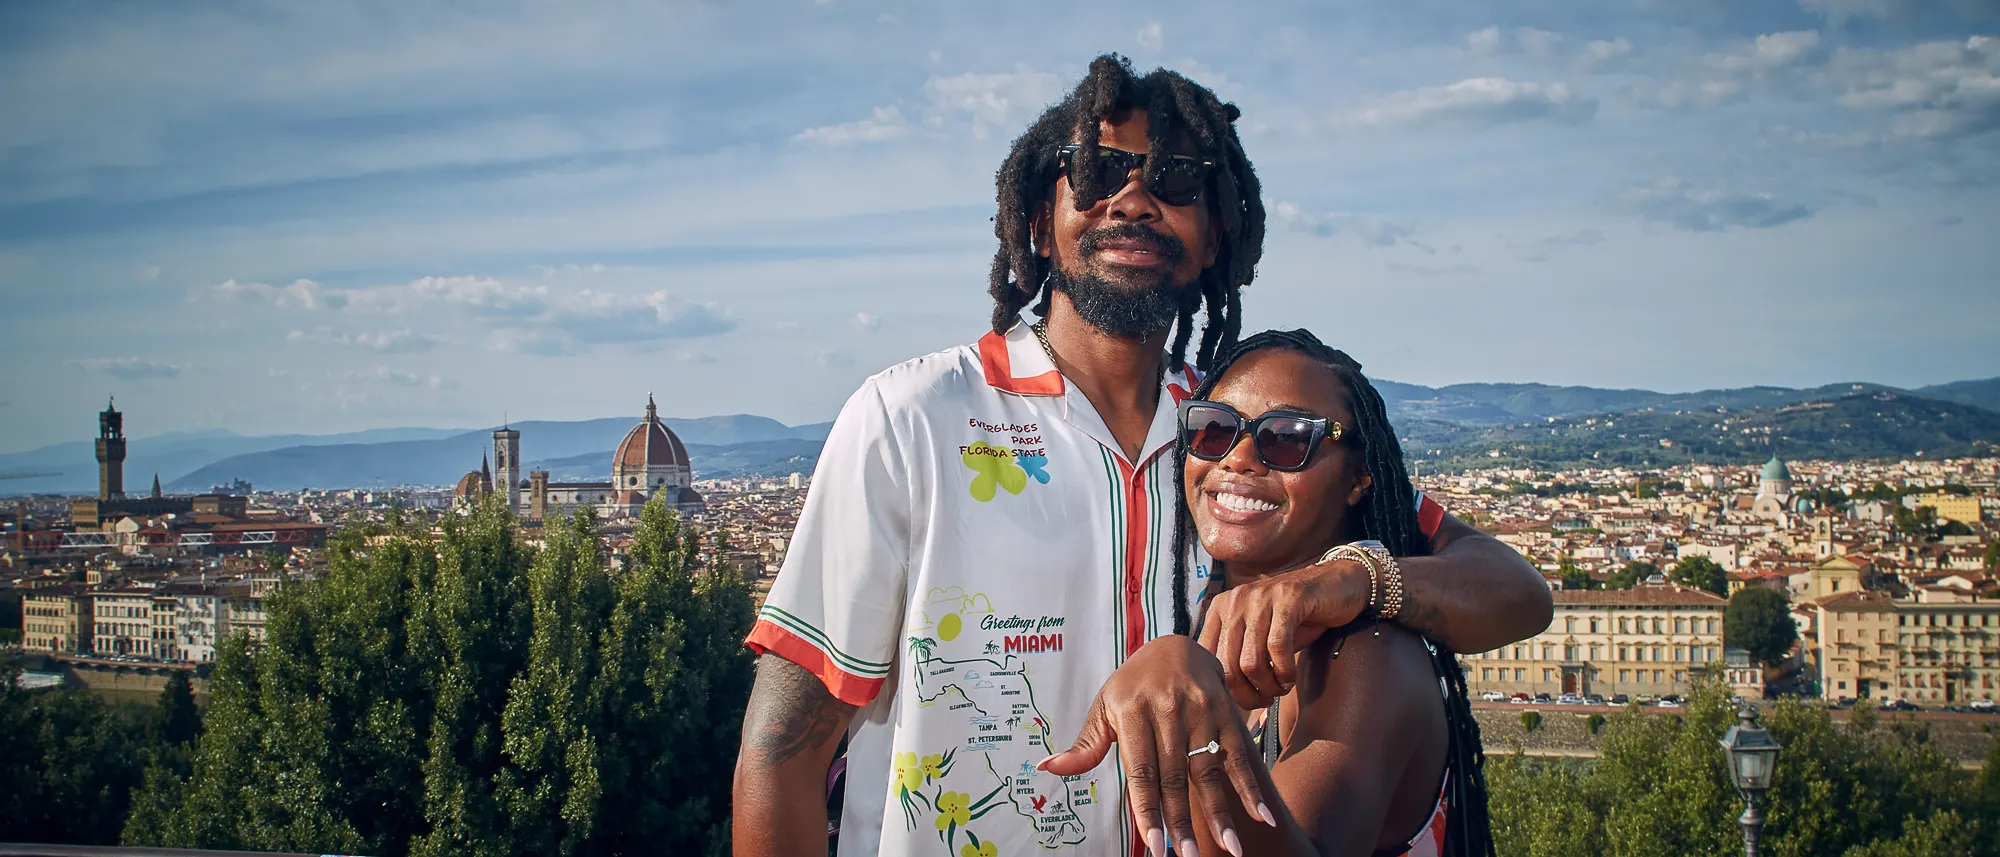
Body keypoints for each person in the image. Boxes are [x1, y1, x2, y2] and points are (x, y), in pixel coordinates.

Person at [732, 55, 1551, 857]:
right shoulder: (911, 419)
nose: (1132, 198)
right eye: (1095, 174)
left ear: (1213, 236)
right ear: (1036, 223)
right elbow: (780, 754)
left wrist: (1345, 577)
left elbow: (1514, 590)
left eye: (1176, 179)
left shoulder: (1236, 439)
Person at [1043, 329, 1494, 857]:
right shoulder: (1210, 595)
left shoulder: (1367, 657)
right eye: (1214, 429)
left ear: (1358, 478)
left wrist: (1191, 711)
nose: (1237, 458)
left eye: (1286, 439)